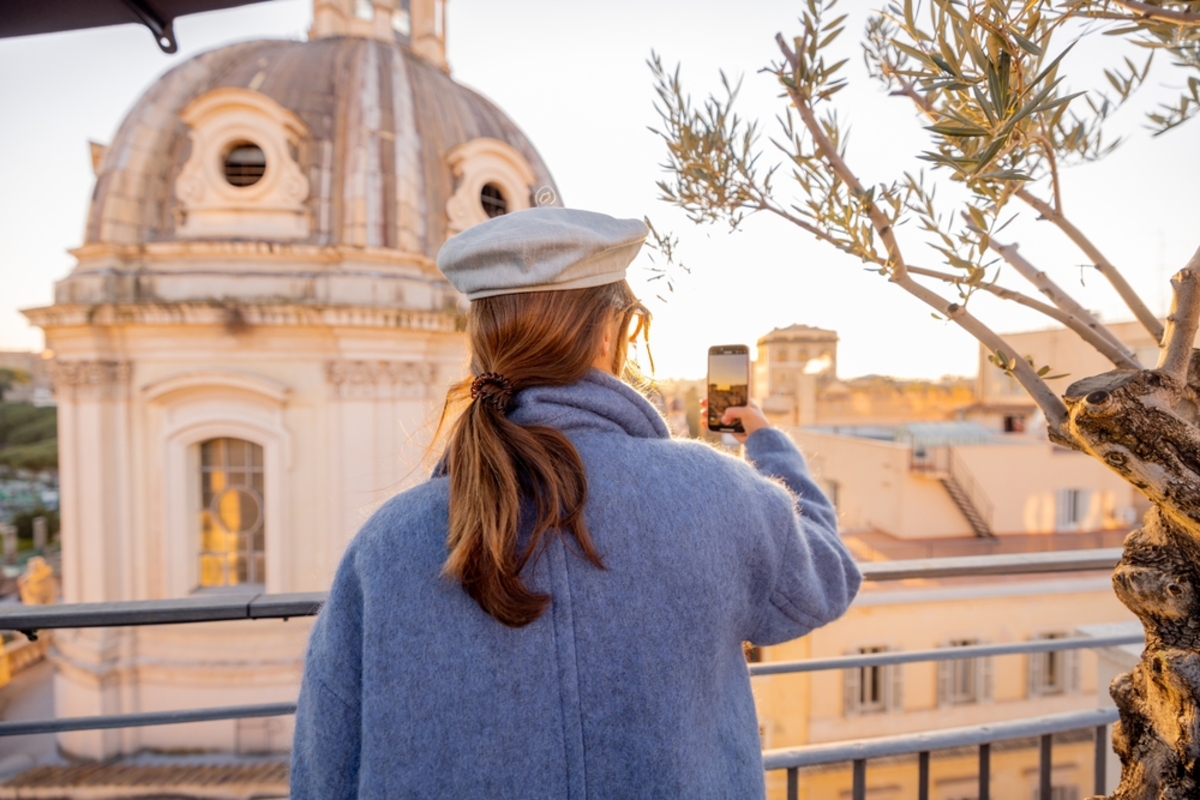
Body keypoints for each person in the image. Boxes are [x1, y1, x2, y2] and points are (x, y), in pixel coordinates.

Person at [290, 208, 861, 799]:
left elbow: (327, 770)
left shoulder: (386, 542)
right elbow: (827, 575)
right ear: (611, 333)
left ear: (481, 342)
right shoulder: (719, 495)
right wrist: (767, 443)